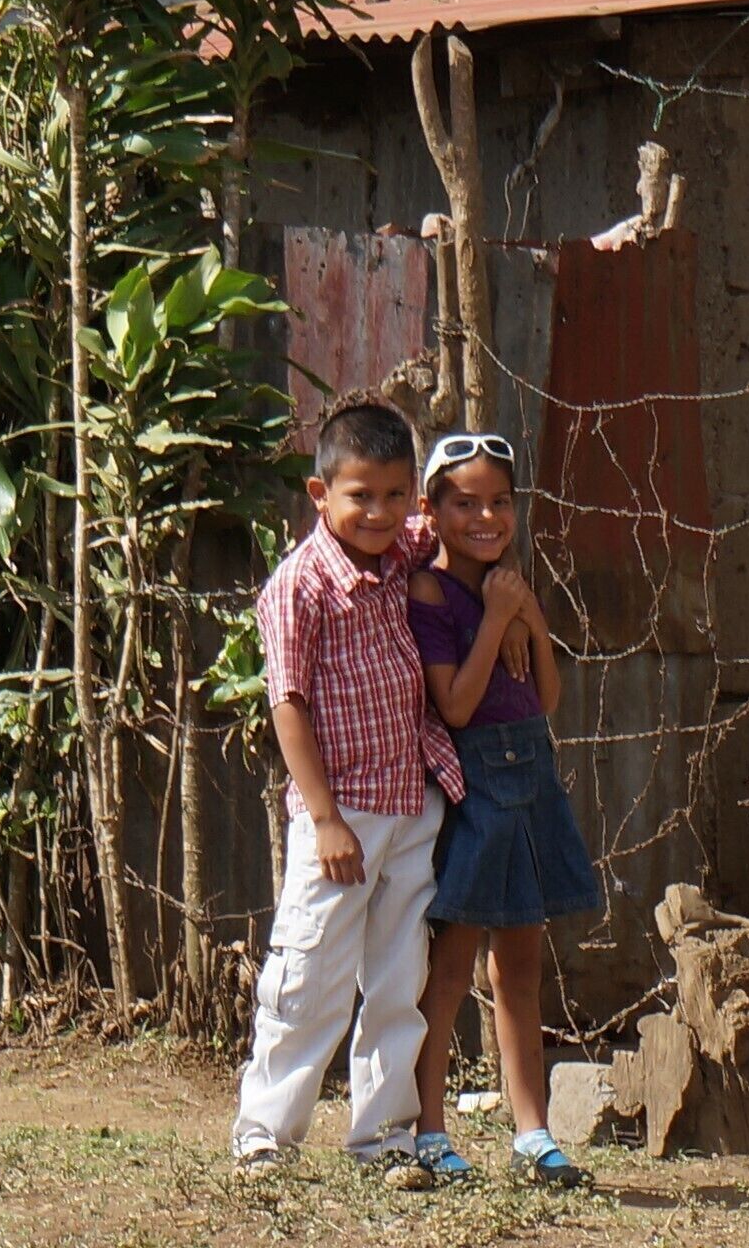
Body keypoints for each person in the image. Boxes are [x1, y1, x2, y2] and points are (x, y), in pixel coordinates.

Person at [230, 395, 467, 1192]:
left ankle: (384, 1138)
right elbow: (287, 704)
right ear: (319, 495)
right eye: (359, 495)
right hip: (341, 818)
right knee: (309, 977)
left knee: (399, 980)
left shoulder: (401, 552)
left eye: (395, 495)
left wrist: (443, 493)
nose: (379, 511)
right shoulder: (299, 587)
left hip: (409, 805)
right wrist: (325, 818)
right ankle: (265, 1134)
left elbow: (452, 520)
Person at [405, 432, 603, 1189]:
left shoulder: (510, 586)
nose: (485, 517)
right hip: (476, 785)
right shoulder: (432, 593)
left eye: (499, 502)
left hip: (532, 774)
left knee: (521, 967)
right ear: (433, 510)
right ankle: (429, 1130)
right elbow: (454, 704)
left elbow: (547, 699)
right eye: (465, 503)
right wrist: (496, 620)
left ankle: (532, 1133)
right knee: (452, 966)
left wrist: (528, 620)